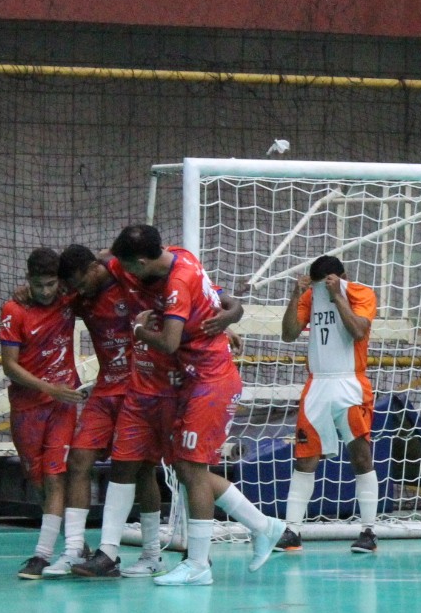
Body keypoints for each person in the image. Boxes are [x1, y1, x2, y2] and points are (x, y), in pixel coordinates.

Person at [73, 225, 277, 584]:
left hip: (208, 381)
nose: (122, 273)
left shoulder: (178, 282)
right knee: (183, 469)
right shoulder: (171, 258)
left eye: (127, 266)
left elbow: (170, 341)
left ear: (141, 262)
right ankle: (262, 527)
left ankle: (199, 562)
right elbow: (107, 259)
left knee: (191, 470)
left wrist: (139, 331)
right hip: (185, 381)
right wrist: (229, 315)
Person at [55, 244, 167, 577]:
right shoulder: (81, 297)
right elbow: (46, 299)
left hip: (139, 388)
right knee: (78, 460)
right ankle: (74, 550)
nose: (78, 290)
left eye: (80, 282)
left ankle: (151, 554)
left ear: (93, 268)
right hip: (105, 390)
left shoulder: (130, 281)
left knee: (142, 470)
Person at [276, 255, 381, 556]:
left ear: (342, 277)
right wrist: (296, 295)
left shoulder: (361, 293)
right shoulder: (310, 296)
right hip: (317, 386)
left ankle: (368, 531)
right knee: (305, 458)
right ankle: (292, 531)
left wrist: (337, 297)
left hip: (350, 384)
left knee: (360, 455)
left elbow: (358, 330)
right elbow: (288, 334)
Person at [2, 247, 88, 580]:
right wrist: (48, 388)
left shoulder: (68, 299)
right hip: (27, 407)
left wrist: (57, 392)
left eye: (51, 284)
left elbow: (102, 266)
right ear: (28, 280)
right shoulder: (14, 310)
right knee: (38, 481)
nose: (45, 291)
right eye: (38, 285)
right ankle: (75, 545)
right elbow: (9, 366)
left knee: (55, 476)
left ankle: (41, 555)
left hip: (61, 406)